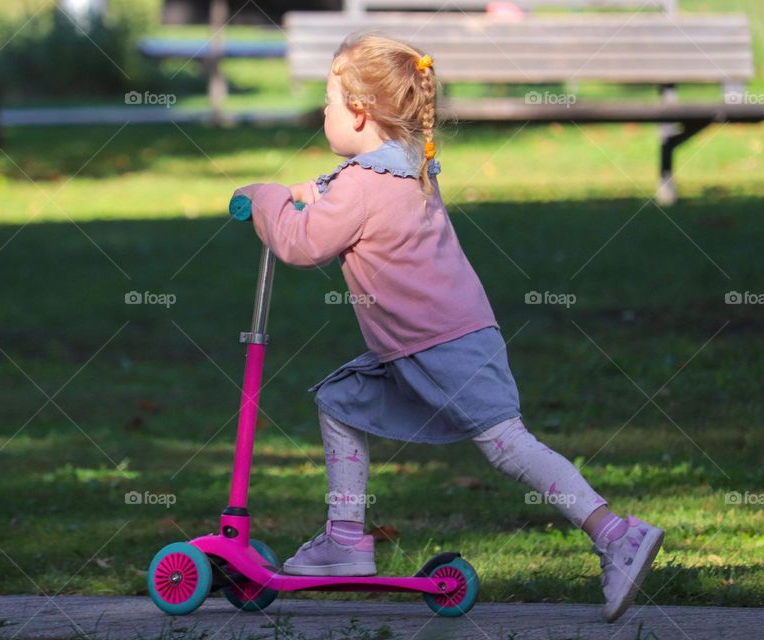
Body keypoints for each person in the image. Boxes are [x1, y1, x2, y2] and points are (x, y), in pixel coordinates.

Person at [232, 32, 664, 623]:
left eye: (329, 102)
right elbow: (331, 195)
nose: (323, 113)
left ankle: (616, 533)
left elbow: (301, 243)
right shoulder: (402, 169)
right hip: (414, 349)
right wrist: (301, 193)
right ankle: (345, 538)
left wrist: (265, 197)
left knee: (508, 446)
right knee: (340, 401)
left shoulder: (365, 185)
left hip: (447, 347)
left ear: (359, 112)